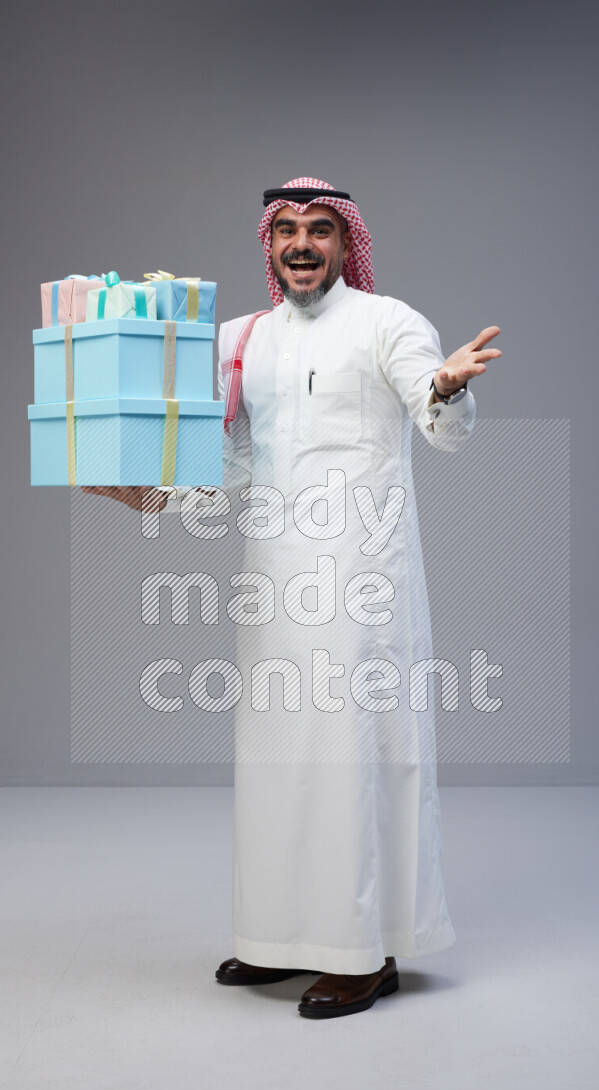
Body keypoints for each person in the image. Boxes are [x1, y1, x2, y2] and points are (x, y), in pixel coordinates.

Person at [84, 177, 500, 1019]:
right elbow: (235, 464)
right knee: (279, 759)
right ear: (268, 247)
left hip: (362, 577)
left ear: (347, 244)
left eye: (320, 230)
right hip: (273, 578)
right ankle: (279, 939)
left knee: (352, 757)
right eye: (286, 231)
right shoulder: (243, 339)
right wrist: (154, 500)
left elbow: (438, 419)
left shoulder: (389, 323)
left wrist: (450, 389)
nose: (303, 243)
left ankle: (362, 952)